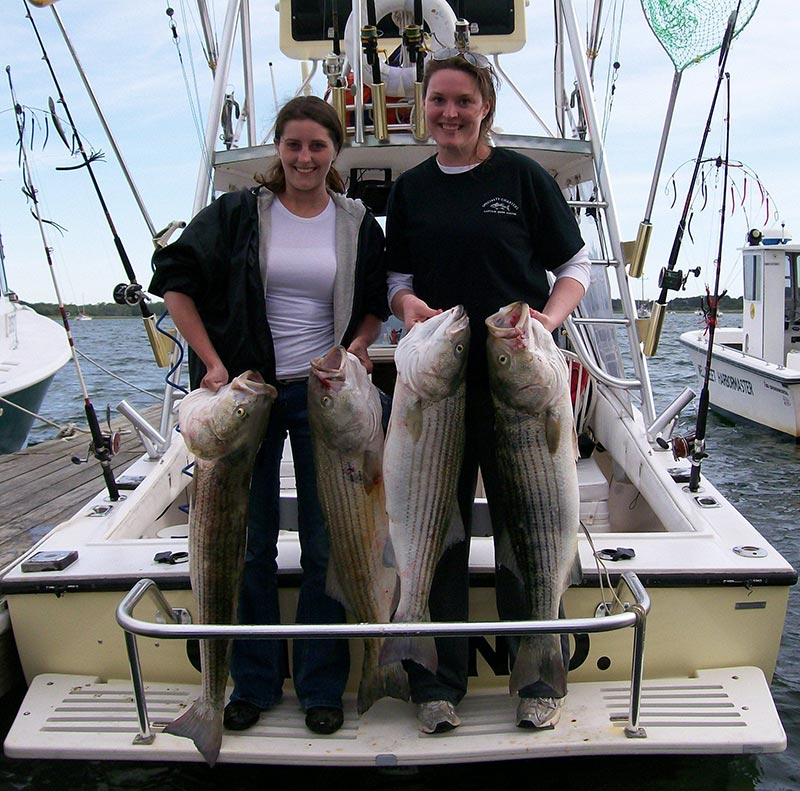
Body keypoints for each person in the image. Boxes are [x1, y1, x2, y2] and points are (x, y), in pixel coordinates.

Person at [149, 95, 388, 736]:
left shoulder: (358, 222)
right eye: (293, 145)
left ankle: (319, 687)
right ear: (277, 148)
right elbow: (172, 277)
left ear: (336, 151)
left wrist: (357, 348)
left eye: (317, 146)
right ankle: (249, 682)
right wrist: (210, 361)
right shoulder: (236, 215)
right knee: (247, 545)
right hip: (248, 396)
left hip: (323, 398)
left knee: (326, 545)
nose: (304, 157)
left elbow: (372, 305)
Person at [384, 52, 591, 734]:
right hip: (435, 391)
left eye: (462, 101)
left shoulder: (523, 177)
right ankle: (434, 681)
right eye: (438, 100)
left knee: (525, 530)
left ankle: (537, 675)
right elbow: (399, 277)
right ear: (425, 107)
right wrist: (408, 302)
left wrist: (548, 322)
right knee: (436, 535)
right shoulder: (411, 189)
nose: (449, 113)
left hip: (519, 390)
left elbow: (573, 265)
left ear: (485, 107)